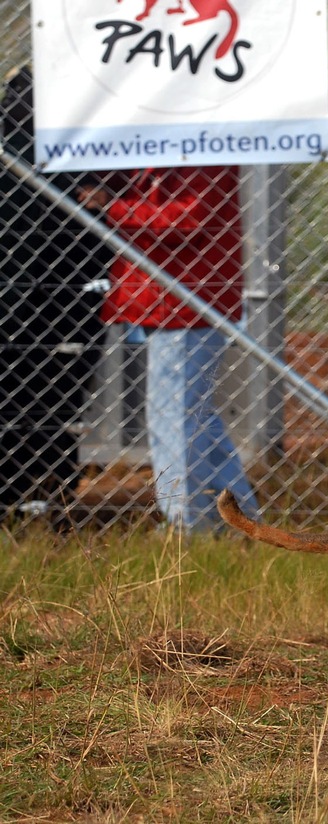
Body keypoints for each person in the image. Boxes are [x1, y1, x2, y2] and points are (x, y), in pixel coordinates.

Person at [88, 163, 259, 533]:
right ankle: (240, 520)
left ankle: (187, 524)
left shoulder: (199, 151)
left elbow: (186, 218)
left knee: (174, 418)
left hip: (184, 302)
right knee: (195, 416)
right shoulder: (165, 152)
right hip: (172, 298)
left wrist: (112, 206)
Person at [0, 65, 107, 517]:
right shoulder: (50, 146)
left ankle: (41, 493)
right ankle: (37, 492)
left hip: (64, 294)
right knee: (44, 396)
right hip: (53, 294)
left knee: (46, 396)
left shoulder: (84, 146)